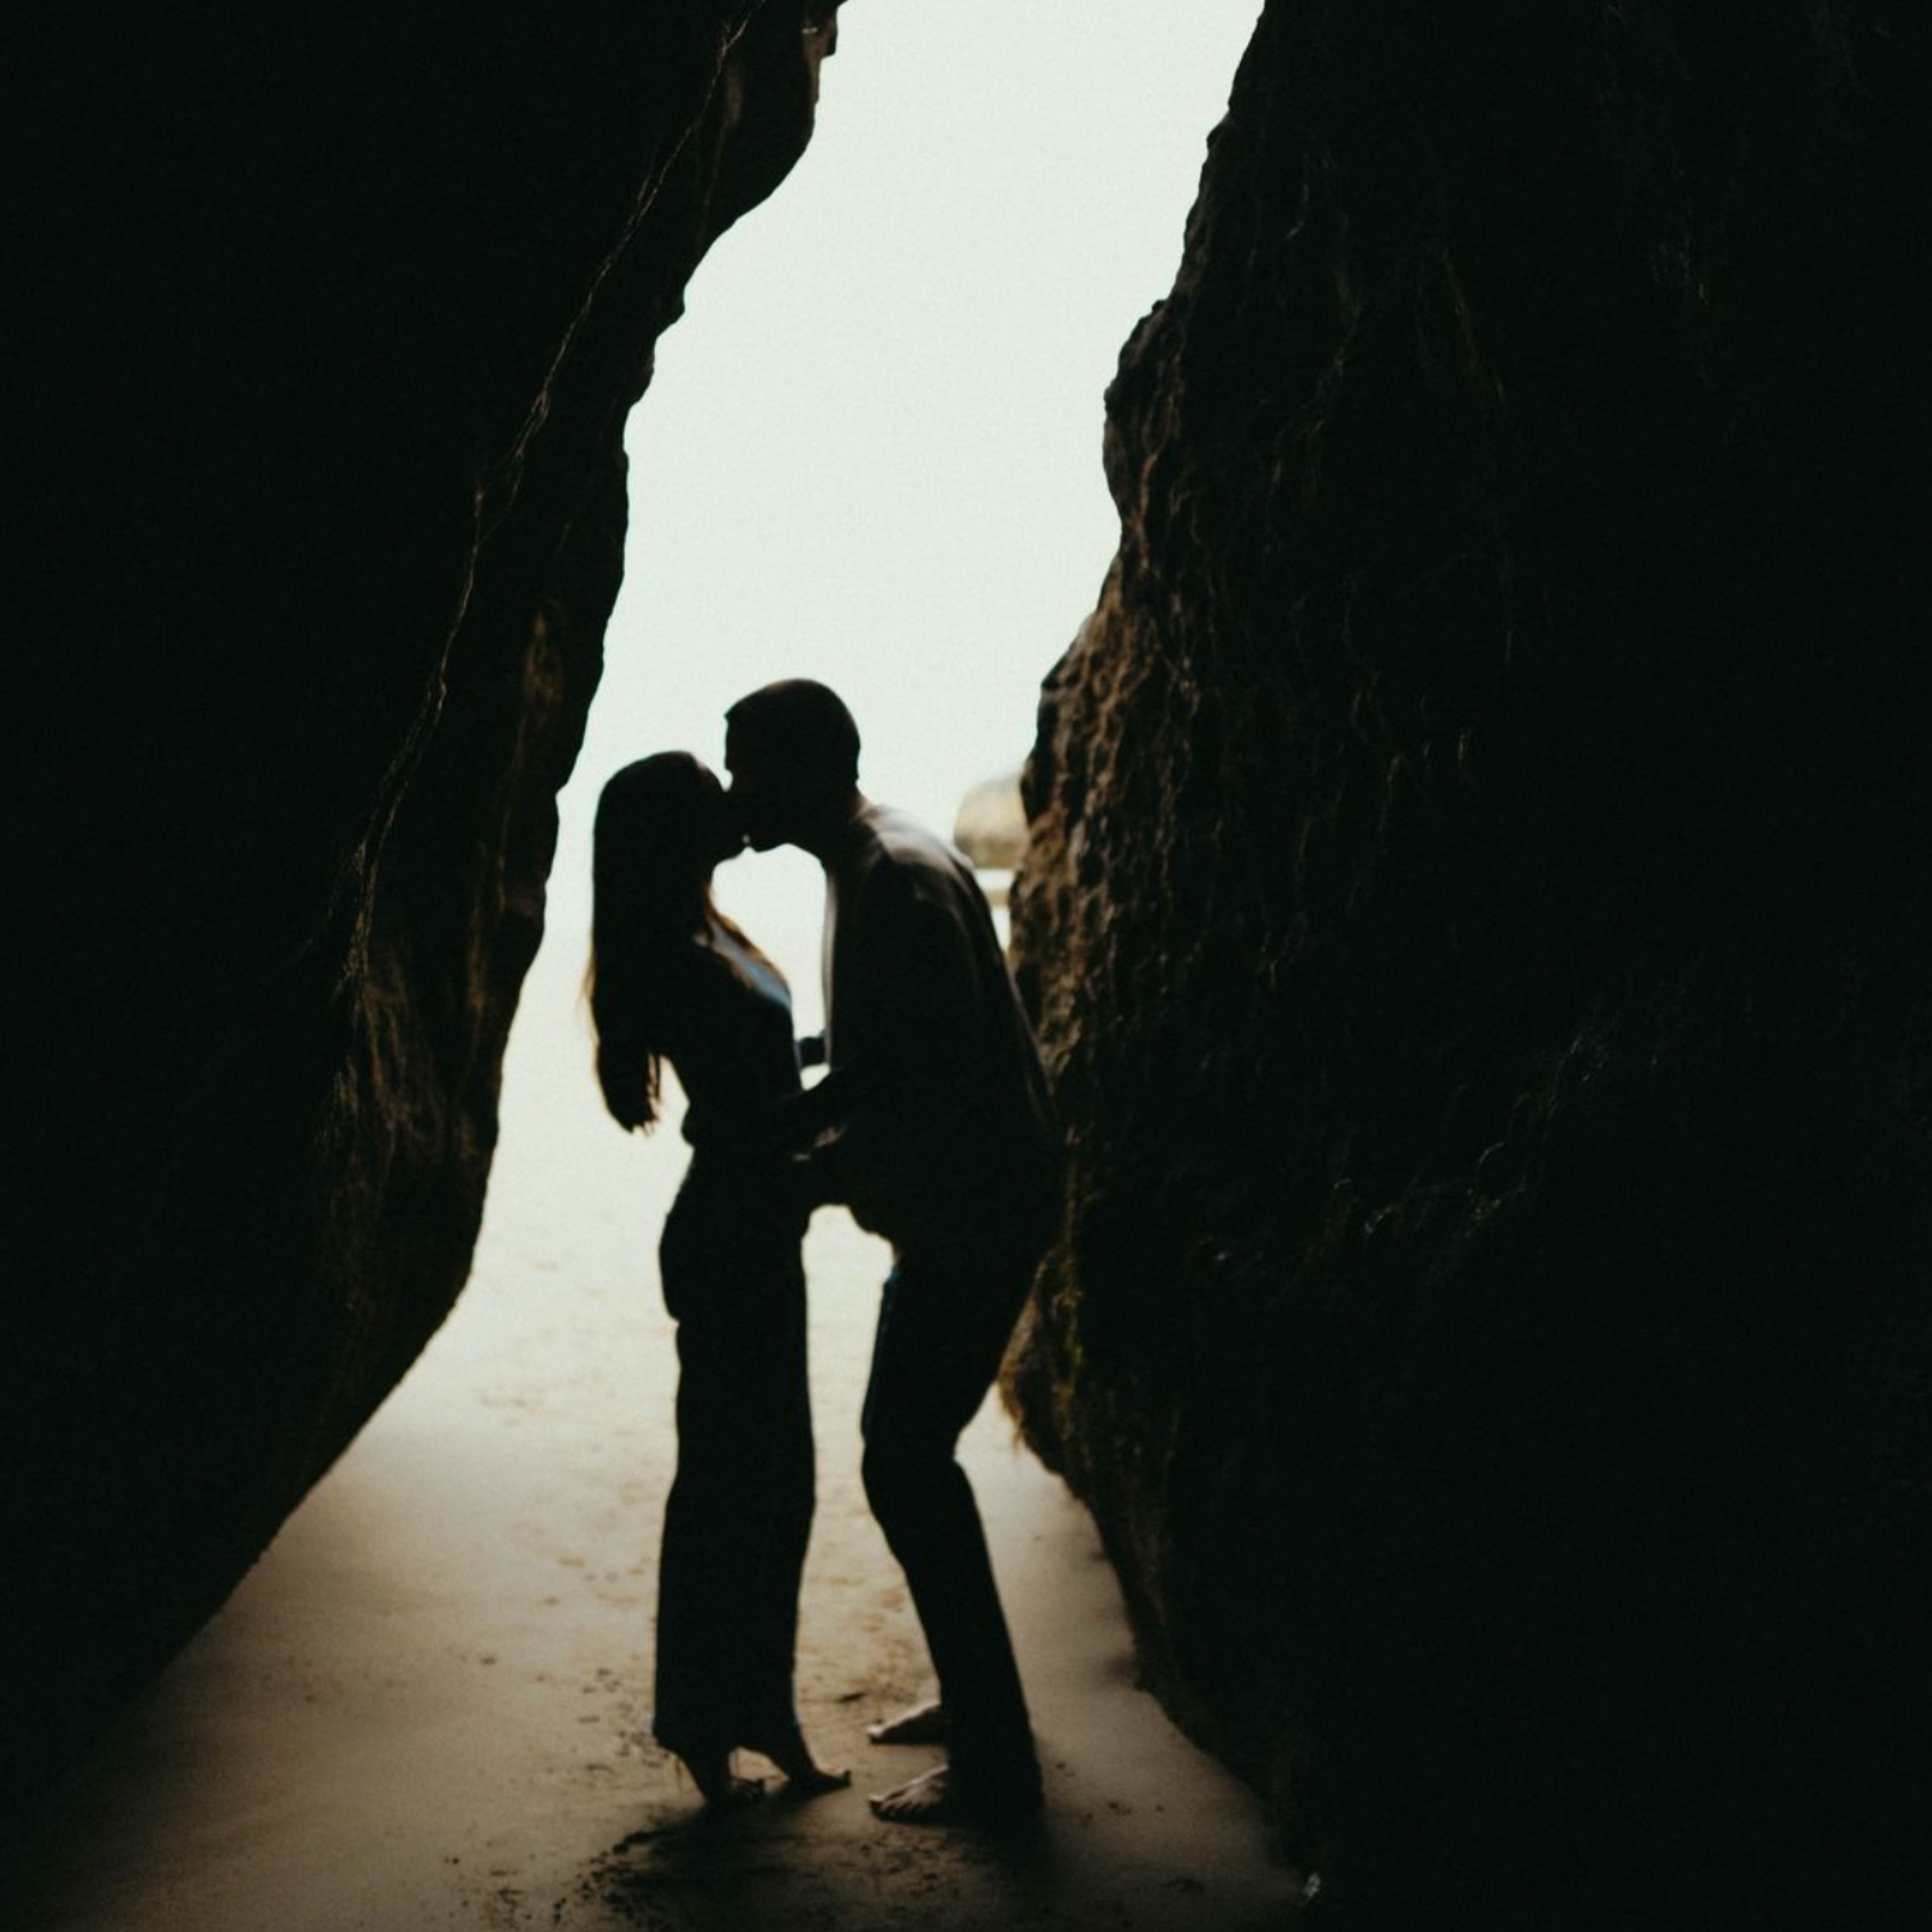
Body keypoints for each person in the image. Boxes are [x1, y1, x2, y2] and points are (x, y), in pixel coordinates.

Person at [723, 681, 1062, 1827]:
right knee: (909, 1457)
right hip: (972, 1208)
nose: (736, 791)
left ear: (810, 765)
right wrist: (798, 1096)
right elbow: (896, 1049)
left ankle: (996, 1758)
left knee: (904, 1463)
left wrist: (808, 1177)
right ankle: (977, 1706)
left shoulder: (894, 879)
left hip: (976, 1216)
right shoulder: (877, 857)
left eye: (749, 766)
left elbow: (935, 1089)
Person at [587, 751, 848, 1808]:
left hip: (749, 1228)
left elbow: (767, 1070)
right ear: (671, 831)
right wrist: (859, 1103)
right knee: (741, 1488)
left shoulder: (706, 930)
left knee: (765, 1484)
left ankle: (746, 1718)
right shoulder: (679, 956)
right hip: (734, 1232)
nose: (730, 795)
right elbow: (748, 1116)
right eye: (707, 786)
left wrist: (845, 1055)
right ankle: (719, 1725)